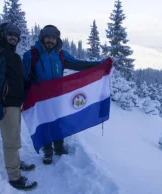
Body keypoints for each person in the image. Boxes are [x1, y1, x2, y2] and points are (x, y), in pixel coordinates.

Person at [23, 25, 108, 165]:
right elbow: (24, 77)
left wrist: (99, 65)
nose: (50, 40)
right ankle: (48, 151)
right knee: (44, 123)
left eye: (53, 38)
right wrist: (26, 98)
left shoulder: (61, 55)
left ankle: (59, 147)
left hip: (57, 95)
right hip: (40, 97)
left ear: (57, 39)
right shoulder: (31, 55)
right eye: (48, 37)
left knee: (57, 121)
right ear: (42, 38)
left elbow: (78, 64)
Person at [0, 23, 37, 191]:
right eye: (10, 34)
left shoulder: (14, 57)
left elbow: (17, 81)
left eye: (16, 35)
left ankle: (15, 162)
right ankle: (14, 177)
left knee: (13, 137)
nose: (13, 37)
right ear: (2, 34)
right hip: (2, 104)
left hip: (14, 104)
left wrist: (28, 87)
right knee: (12, 142)